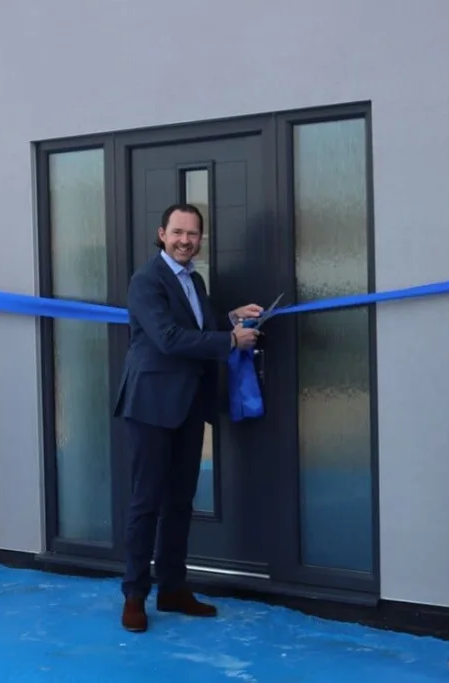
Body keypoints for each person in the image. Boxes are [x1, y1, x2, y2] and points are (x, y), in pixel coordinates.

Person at [113, 203, 262, 633]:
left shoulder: (194, 279)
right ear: (162, 234)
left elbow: (203, 325)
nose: (185, 240)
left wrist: (232, 319)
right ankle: (135, 595)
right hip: (151, 406)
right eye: (177, 232)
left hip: (189, 406)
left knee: (180, 501)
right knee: (146, 503)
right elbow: (168, 337)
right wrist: (229, 340)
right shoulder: (146, 280)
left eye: (193, 234)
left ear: (200, 239)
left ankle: (173, 588)